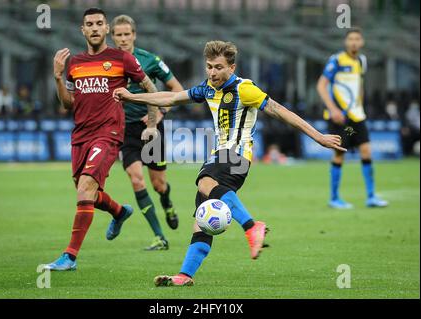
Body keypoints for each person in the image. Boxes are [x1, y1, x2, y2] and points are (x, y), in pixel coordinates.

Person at [113, 40, 346, 286]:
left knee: (204, 181)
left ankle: (251, 226)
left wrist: (318, 136)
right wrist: (131, 97)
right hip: (221, 156)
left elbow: (280, 110)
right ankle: (185, 275)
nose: (212, 72)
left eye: (218, 67)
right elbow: (170, 97)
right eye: (209, 66)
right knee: (202, 221)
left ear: (231, 68)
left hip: (236, 155)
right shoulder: (207, 89)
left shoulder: (244, 88)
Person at [44, 7, 158, 271]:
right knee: (88, 192)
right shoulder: (75, 63)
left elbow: (150, 88)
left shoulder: (122, 59)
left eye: (99, 24)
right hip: (80, 135)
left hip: (109, 133)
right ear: (82, 30)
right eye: (89, 24)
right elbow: (67, 104)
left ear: (106, 29)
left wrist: (152, 124)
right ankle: (119, 211)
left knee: (85, 188)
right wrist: (58, 77)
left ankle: (69, 257)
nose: (94, 28)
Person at [110, 15, 183, 251]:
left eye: (126, 34)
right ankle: (159, 236)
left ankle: (167, 202)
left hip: (151, 128)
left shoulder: (150, 60)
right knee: (136, 178)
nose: (122, 39)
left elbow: (177, 89)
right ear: (112, 37)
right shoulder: (107, 64)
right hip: (124, 131)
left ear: (134, 35)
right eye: (118, 35)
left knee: (159, 184)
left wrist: (160, 112)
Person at [317, 27, 388, 209]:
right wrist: (333, 110)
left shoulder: (362, 61)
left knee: (366, 151)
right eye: (351, 39)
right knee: (340, 153)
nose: (354, 42)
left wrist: (360, 105)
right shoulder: (337, 60)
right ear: (346, 42)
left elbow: (359, 86)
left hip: (357, 116)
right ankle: (334, 198)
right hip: (340, 117)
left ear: (362, 42)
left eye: (357, 39)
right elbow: (321, 85)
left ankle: (371, 196)